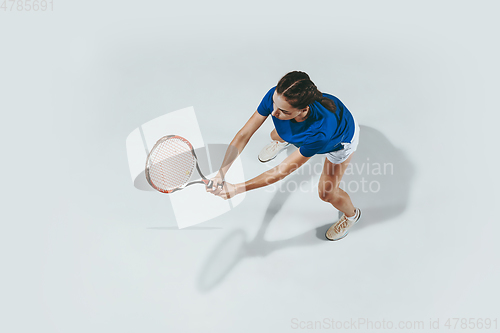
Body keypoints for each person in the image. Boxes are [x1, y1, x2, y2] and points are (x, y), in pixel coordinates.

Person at [206, 71, 361, 241]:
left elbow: (281, 171)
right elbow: (244, 134)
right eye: (273, 103)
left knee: (327, 193)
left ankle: (352, 216)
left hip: (339, 141)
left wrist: (237, 188)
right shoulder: (278, 97)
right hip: (304, 130)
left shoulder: (320, 132)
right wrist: (221, 173)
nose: (273, 113)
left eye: (283, 111)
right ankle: (283, 140)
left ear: (303, 110)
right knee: (275, 135)